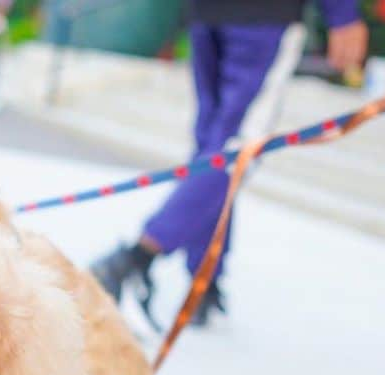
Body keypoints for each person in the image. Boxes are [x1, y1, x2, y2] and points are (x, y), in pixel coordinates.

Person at [91, 0, 368, 326]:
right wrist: (343, 14)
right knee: (236, 150)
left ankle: (203, 280)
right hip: (261, 17)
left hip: (208, 14)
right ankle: (138, 255)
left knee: (213, 145)